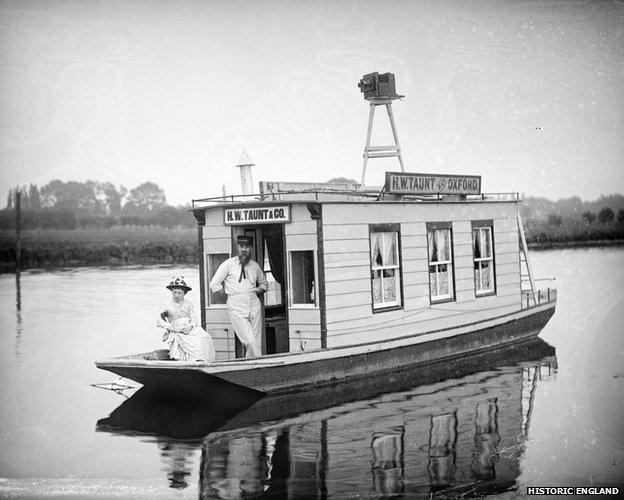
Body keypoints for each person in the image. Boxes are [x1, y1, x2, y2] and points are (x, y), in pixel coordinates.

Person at [209, 235, 268, 358]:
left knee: (256, 339)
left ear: (251, 248)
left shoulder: (255, 266)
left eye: (247, 247)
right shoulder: (228, 264)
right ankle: (260, 363)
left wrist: (256, 290)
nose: (244, 250)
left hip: (253, 303)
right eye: (242, 246)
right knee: (249, 340)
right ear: (237, 247)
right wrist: (227, 295)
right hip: (236, 304)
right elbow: (214, 284)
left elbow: (264, 284)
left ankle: (252, 365)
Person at [157, 276, 215, 362]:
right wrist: (170, 327)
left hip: (188, 329)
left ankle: (201, 361)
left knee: (205, 337)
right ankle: (188, 361)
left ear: (184, 293)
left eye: (179, 293)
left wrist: (190, 327)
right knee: (185, 341)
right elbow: (158, 321)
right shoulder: (167, 305)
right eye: (174, 292)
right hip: (176, 329)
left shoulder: (189, 304)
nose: (176, 295)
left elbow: (194, 320)